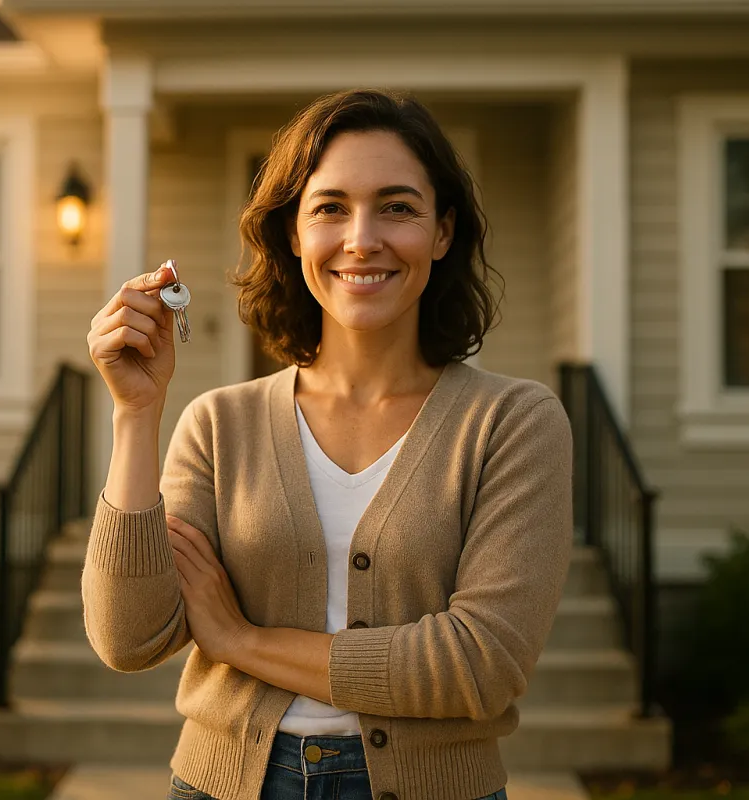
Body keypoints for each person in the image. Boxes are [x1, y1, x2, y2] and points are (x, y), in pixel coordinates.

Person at [84, 89, 573, 800]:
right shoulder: (220, 425)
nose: (361, 239)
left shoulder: (513, 423)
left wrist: (243, 642)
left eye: (398, 207)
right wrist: (136, 414)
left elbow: (479, 664)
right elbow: (128, 640)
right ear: (292, 234)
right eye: (330, 207)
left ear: (442, 233)